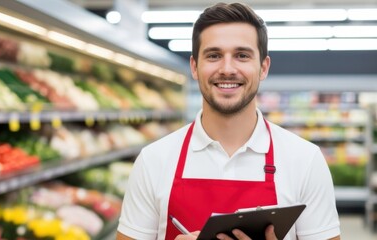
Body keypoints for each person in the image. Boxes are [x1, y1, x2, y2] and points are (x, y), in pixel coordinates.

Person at [116, 2, 341, 240]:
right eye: (214, 55)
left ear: (263, 67)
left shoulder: (305, 160)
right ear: (194, 67)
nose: (227, 68)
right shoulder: (153, 160)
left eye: (242, 55)